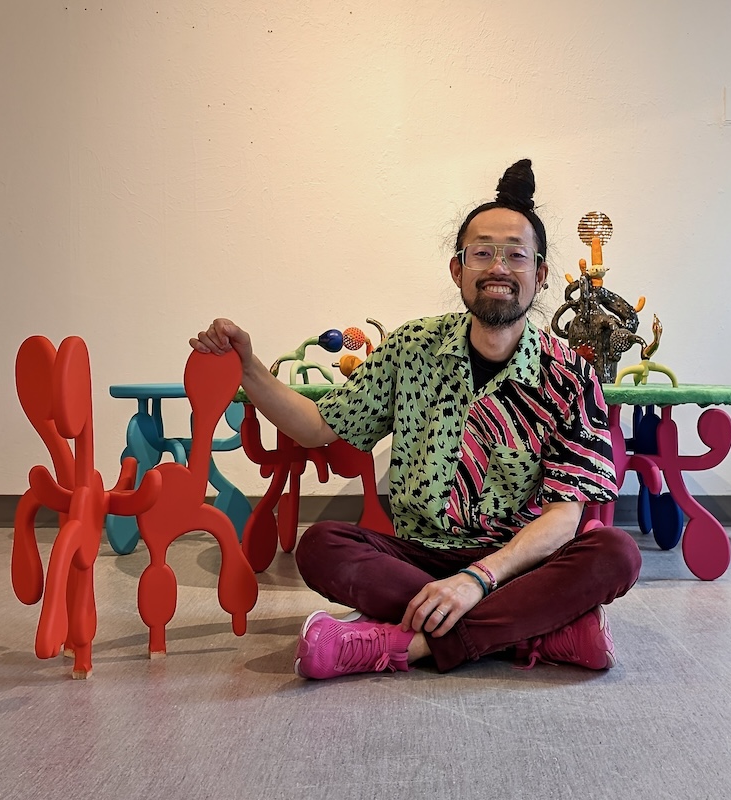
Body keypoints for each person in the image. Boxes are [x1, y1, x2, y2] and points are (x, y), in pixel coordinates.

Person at [190, 159, 642, 680]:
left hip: (516, 565)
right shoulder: (411, 349)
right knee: (322, 545)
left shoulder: (569, 374)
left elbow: (565, 516)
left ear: (539, 275)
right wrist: (248, 368)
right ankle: (534, 633)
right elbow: (317, 426)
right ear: (458, 269)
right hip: (418, 558)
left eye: (516, 255)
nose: (499, 267)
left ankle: (404, 644)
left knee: (616, 552)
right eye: (483, 253)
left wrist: (477, 578)